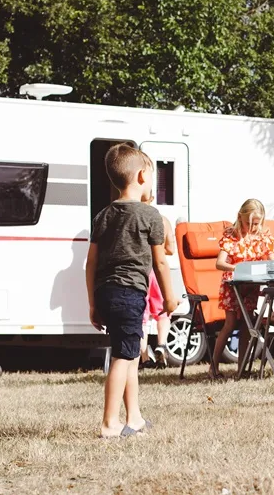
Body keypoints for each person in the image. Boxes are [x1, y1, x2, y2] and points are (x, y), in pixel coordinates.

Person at [85, 143, 179, 438]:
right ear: (141, 176)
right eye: (152, 176)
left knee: (131, 351)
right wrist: (170, 297)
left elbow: (90, 264)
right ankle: (110, 423)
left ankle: (134, 417)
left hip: (106, 292)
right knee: (123, 356)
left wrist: (92, 304)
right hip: (130, 292)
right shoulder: (150, 216)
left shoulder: (103, 215)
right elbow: (161, 262)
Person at [209, 198, 274, 379]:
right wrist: (237, 268)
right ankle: (214, 367)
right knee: (231, 323)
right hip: (233, 284)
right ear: (240, 217)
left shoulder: (263, 236)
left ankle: (241, 368)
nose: (253, 227)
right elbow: (220, 263)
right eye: (249, 223)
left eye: (257, 223)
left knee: (247, 325)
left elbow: (273, 260)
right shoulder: (231, 235)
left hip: (251, 285)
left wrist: (270, 267)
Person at [139, 192, 176, 369]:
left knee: (142, 317)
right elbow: (171, 249)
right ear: (152, 198)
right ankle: (161, 345)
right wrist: (159, 251)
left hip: (141, 271)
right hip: (158, 271)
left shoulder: (136, 218)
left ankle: (144, 357)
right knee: (163, 312)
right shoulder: (163, 220)